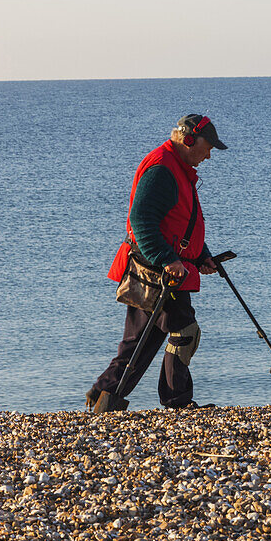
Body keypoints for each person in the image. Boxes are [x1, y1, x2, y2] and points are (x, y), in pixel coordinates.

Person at [86, 114, 228, 413]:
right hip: (156, 272)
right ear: (189, 139)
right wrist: (167, 259)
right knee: (184, 332)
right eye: (207, 146)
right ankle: (177, 402)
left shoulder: (177, 168)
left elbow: (179, 222)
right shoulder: (162, 169)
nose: (209, 153)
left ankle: (103, 397)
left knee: (139, 343)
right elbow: (141, 222)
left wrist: (201, 255)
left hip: (159, 270)